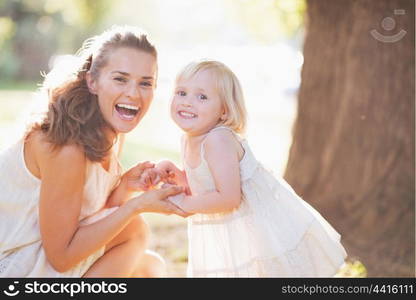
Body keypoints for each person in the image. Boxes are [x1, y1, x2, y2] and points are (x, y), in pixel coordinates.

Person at [0, 25, 187, 277]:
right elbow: (62, 257)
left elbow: (91, 221)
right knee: (135, 231)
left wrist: (124, 188)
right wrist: (137, 206)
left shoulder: (109, 131)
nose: (133, 93)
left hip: (43, 254)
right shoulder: (66, 146)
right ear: (93, 81)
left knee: (150, 266)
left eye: (145, 83)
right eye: (120, 79)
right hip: (16, 264)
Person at [139, 60, 348, 277]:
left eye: (202, 97)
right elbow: (204, 186)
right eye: (181, 93)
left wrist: (184, 203)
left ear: (223, 110)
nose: (188, 102)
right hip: (231, 227)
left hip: (255, 226)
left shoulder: (218, 139)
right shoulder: (189, 138)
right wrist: (174, 171)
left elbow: (229, 198)